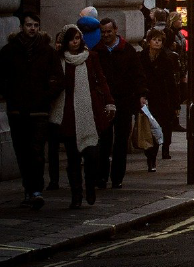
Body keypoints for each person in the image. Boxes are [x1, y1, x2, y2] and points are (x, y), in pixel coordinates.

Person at [0, 11, 61, 209]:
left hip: (39, 110)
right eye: (28, 25)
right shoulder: (9, 51)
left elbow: (58, 79)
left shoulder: (47, 51)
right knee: (22, 151)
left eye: (35, 25)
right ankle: (28, 188)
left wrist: (46, 95)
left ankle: (36, 190)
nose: (32, 29)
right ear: (22, 27)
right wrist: (9, 94)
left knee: (36, 151)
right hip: (17, 109)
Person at [49, 26, 113, 209]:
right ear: (65, 42)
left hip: (88, 112)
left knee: (92, 155)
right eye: (71, 39)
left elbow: (101, 80)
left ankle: (90, 186)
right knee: (73, 159)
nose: (75, 42)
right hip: (68, 113)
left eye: (77, 38)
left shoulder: (91, 57)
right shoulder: (60, 60)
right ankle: (76, 195)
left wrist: (109, 101)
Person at [93, 18, 146, 189]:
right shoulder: (97, 52)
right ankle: (101, 177)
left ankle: (117, 177)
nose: (106, 35)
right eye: (103, 32)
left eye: (109, 31)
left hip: (124, 101)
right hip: (104, 103)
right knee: (104, 141)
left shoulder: (127, 50)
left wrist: (141, 95)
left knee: (121, 141)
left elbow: (138, 75)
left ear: (115, 30)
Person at [140, 29, 179, 170]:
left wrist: (175, 104)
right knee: (147, 129)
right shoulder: (141, 57)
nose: (157, 42)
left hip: (162, 99)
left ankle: (153, 157)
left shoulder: (166, 59)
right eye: (154, 39)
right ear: (149, 41)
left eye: (160, 40)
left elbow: (171, 83)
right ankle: (149, 156)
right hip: (146, 98)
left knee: (158, 128)